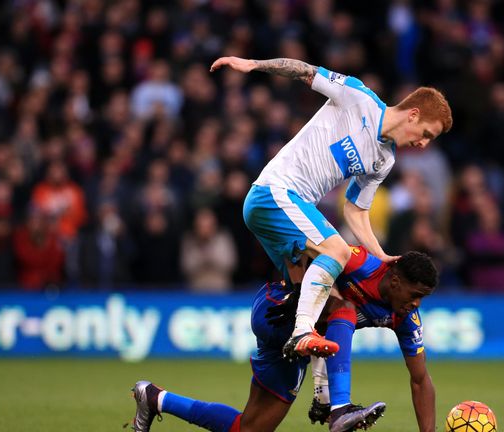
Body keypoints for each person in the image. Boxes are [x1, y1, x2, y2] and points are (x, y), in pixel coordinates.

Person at [209, 56, 452, 358]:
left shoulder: (384, 159)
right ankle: (301, 333)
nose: (423, 144)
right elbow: (304, 72)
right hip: (275, 192)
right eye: (427, 134)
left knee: (329, 301)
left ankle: (327, 401)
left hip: (289, 211)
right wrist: (253, 66)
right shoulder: (358, 98)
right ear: (413, 115)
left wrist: (380, 254)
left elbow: (355, 209)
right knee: (336, 251)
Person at [126, 250, 438, 432]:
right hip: (277, 308)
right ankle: (337, 406)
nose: (416, 305)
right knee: (344, 308)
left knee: (248, 429)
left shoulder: (405, 319)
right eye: (415, 296)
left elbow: (420, 380)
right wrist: (302, 288)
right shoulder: (361, 263)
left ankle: (154, 398)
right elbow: (303, 249)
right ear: (395, 281)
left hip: (299, 343)